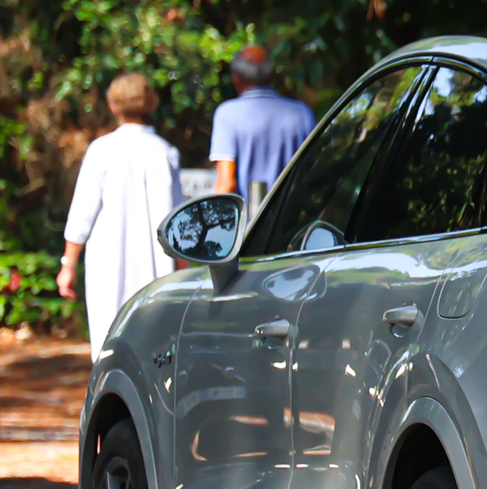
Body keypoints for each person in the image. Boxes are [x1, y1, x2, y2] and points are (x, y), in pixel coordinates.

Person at [58, 73, 183, 358]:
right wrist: (185, 265)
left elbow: (82, 215)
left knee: (108, 345)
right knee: (153, 350)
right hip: (156, 270)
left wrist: (68, 264)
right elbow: (178, 218)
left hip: (107, 268)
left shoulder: (101, 150)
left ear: (113, 107)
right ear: (151, 105)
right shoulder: (165, 152)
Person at [211, 45, 316, 203]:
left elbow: (226, 184)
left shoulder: (227, 114)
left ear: (236, 78)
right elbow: (314, 175)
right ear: (273, 76)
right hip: (292, 222)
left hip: (251, 224)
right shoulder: (302, 114)